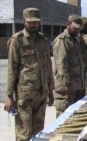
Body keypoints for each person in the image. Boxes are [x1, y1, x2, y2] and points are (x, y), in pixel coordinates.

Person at [4, 8, 54, 141]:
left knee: (38, 132)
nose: (33, 25)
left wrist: (50, 91)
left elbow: (48, 66)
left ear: (40, 22)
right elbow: (11, 69)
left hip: (41, 95)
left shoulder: (43, 40)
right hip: (24, 97)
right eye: (30, 22)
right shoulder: (17, 40)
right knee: (23, 134)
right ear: (23, 22)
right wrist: (9, 96)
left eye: (36, 22)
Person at [53, 14, 86, 117]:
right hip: (67, 89)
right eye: (75, 28)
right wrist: (67, 86)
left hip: (77, 87)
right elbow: (61, 66)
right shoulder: (62, 41)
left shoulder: (76, 40)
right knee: (64, 118)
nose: (77, 31)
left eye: (79, 29)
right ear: (67, 24)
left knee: (75, 117)